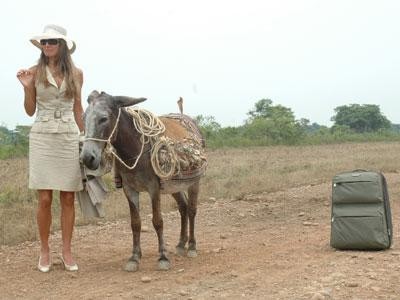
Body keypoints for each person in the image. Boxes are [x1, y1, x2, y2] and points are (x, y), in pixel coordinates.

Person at [16, 24, 84, 272]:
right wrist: (26, 88)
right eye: (44, 42)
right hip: (43, 135)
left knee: (68, 196)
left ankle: (66, 250)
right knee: (44, 198)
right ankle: (44, 250)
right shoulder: (33, 72)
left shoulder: (77, 74)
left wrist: (87, 138)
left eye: (52, 41)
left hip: (67, 135)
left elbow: (78, 109)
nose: (47, 45)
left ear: (62, 45)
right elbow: (30, 110)